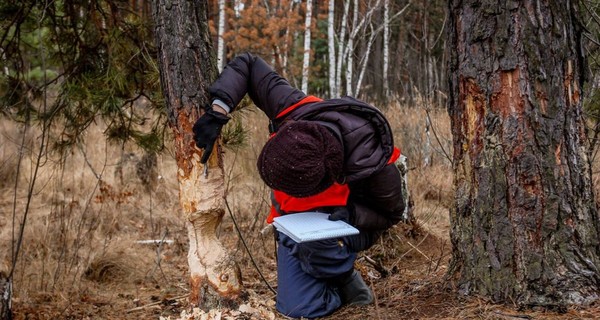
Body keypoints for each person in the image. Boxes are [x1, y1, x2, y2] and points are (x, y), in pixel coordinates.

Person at [193, 52, 405, 319]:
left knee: (311, 246)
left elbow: (391, 214)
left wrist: (351, 215)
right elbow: (248, 64)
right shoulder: (292, 108)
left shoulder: (373, 163)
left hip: (344, 224)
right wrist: (218, 111)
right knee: (297, 309)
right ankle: (319, 271)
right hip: (293, 224)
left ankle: (343, 275)